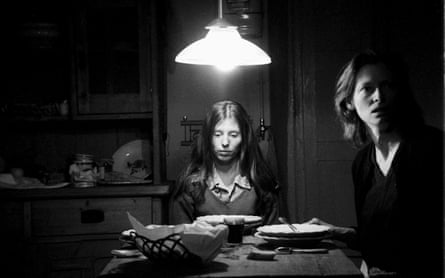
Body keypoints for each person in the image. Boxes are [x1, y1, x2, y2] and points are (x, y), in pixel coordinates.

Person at [308, 50, 443, 277]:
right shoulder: (362, 163)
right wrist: (337, 232)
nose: (379, 96)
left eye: (388, 85)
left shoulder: (432, 148)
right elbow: (377, 239)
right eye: (367, 88)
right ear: (349, 102)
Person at [169, 100, 280, 226]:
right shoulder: (190, 186)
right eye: (217, 134)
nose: (225, 142)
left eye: (233, 135)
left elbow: (273, 238)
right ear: (207, 138)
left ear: (244, 138)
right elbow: (179, 238)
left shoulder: (262, 183)